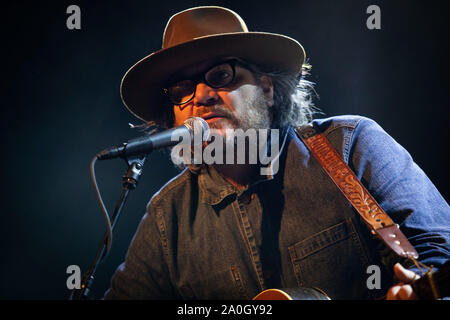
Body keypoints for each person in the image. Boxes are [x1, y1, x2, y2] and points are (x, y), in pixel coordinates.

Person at [103, 6, 449, 300]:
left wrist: (420, 287)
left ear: (266, 89)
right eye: (182, 89)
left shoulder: (350, 145)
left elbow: (438, 249)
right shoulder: (168, 216)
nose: (201, 96)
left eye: (220, 75)